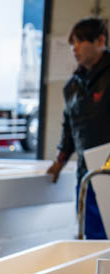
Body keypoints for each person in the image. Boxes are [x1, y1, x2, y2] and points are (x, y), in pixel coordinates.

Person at [47, 17, 110, 240]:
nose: (74, 48)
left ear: (100, 40)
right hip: (87, 173)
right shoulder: (72, 86)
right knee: (90, 237)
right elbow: (69, 129)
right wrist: (59, 161)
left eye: (80, 42)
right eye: (72, 43)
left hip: (109, 169)